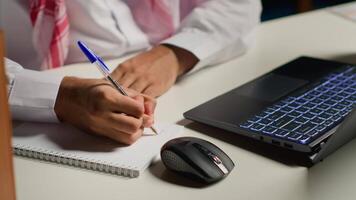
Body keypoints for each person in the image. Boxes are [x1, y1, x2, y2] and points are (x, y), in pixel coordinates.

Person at [3, 0, 262, 144]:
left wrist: (175, 54)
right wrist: (62, 98)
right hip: (32, 113)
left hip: (180, 78)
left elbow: (241, 4)